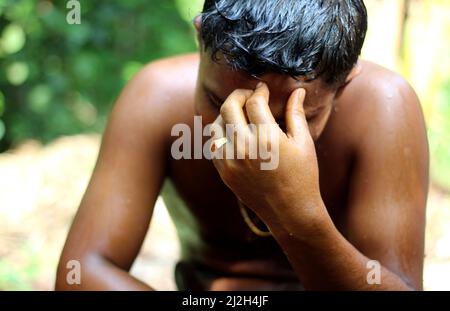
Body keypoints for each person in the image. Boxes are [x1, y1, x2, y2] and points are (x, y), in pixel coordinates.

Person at [56, 0, 429, 290]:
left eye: (288, 120)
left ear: (344, 82)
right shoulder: (155, 99)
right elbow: (82, 273)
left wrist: (298, 217)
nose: (248, 137)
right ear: (201, 38)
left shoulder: (383, 109)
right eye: (220, 104)